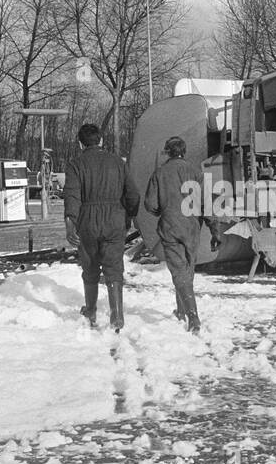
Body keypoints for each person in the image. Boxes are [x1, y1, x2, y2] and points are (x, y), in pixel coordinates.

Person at [63, 123, 140, 331]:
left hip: (87, 221)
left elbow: (72, 195)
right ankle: (117, 315)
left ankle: (90, 310)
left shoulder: (76, 164)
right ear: (101, 140)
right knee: (114, 267)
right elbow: (133, 194)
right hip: (115, 220)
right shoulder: (118, 162)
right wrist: (129, 215)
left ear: (80, 144)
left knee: (90, 266)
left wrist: (70, 223)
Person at [144, 136, 217, 334]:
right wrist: (215, 231)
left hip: (170, 226)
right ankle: (181, 311)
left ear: (168, 152)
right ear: (184, 152)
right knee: (187, 269)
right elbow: (207, 204)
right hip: (192, 228)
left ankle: (193, 317)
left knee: (178, 271)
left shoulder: (160, 173)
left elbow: (150, 205)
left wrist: (162, 210)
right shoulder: (196, 172)